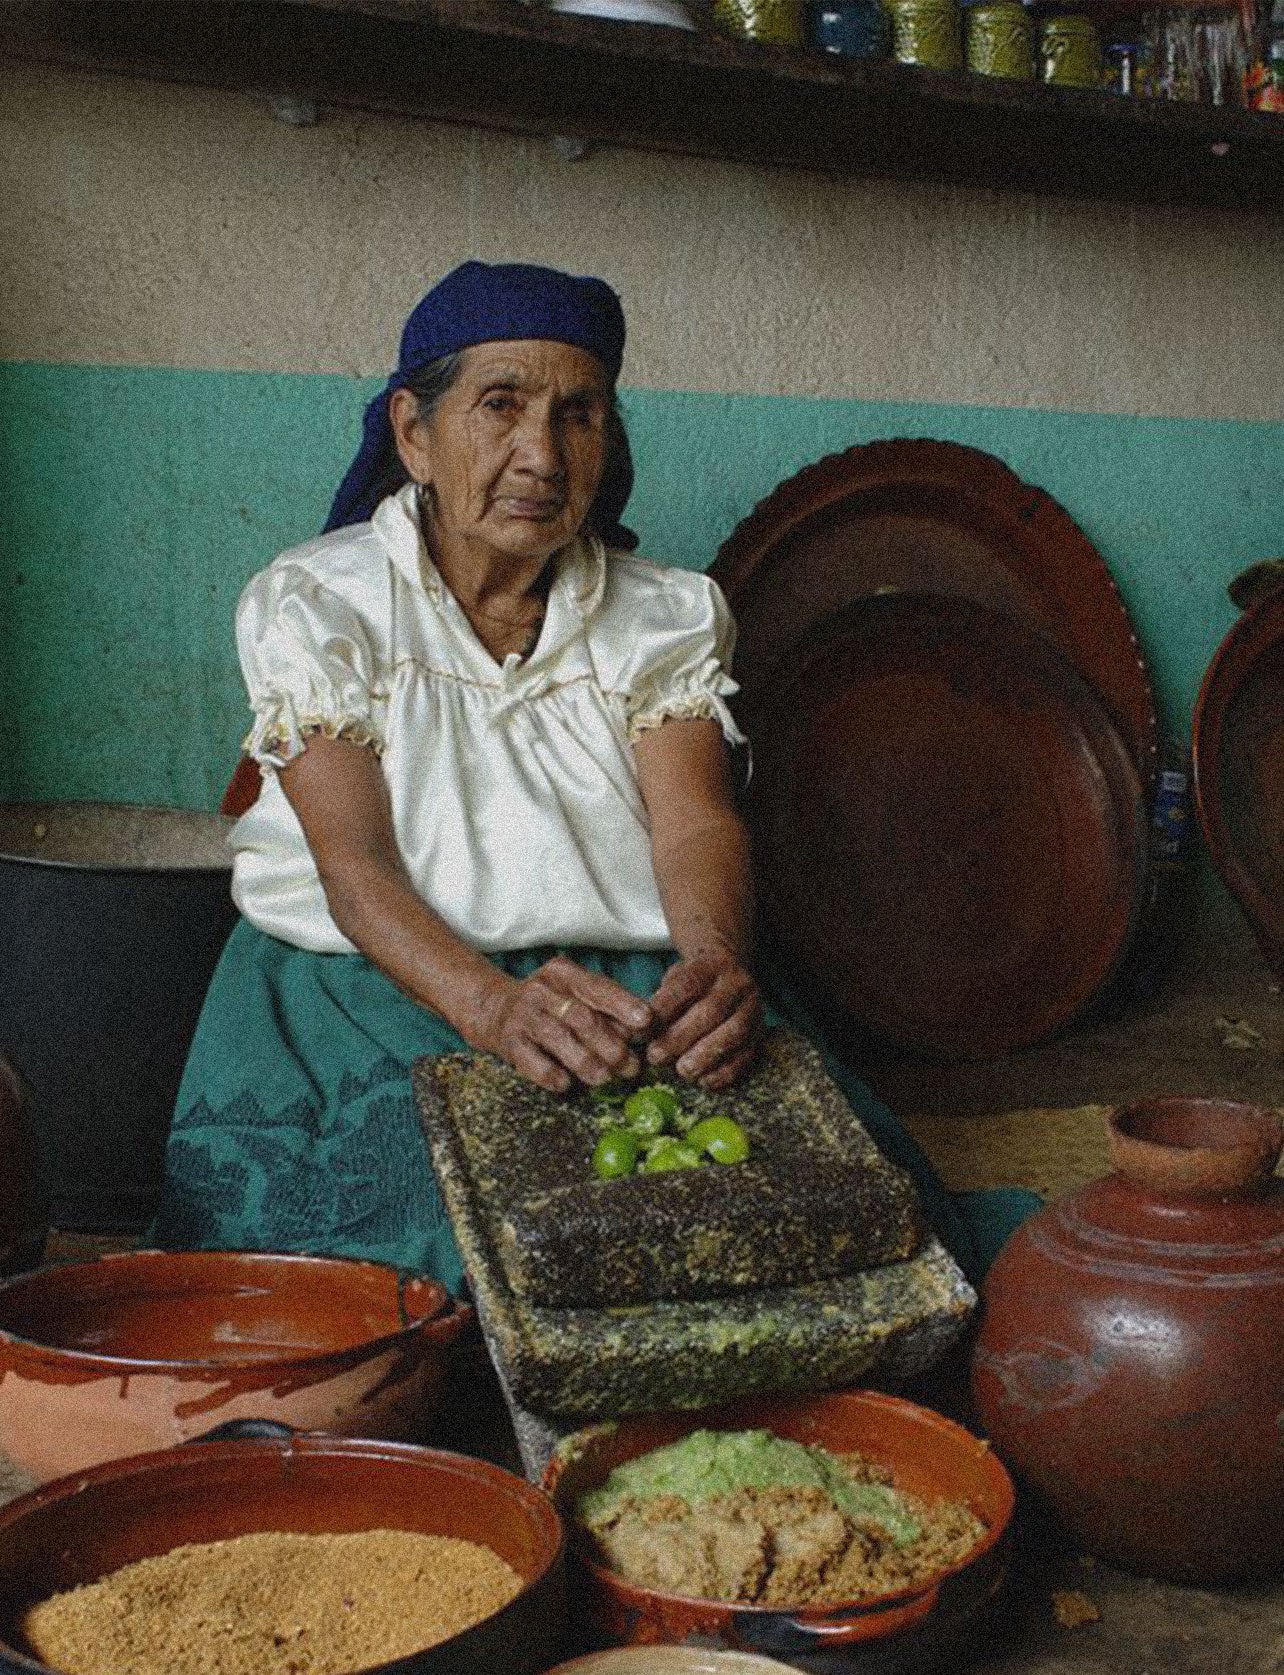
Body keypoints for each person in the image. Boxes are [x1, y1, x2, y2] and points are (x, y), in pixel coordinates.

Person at [152, 260, 1036, 1291]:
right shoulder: (319, 605)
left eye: (579, 414)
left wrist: (713, 964)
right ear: (413, 434)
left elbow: (694, 825)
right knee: (420, 1266)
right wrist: (489, 1008)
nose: (541, 453)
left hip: (632, 991)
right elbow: (355, 870)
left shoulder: (665, 615)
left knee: (833, 1230)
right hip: (375, 985)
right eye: (499, 405)